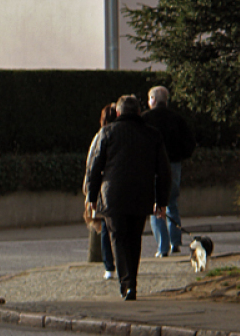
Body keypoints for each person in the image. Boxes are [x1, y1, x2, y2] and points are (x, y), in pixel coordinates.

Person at [84, 95, 170, 301]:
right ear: (139, 112)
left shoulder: (107, 133)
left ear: (119, 113)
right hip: (141, 194)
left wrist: (92, 196)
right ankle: (132, 281)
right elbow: (164, 171)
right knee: (134, 239)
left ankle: (127, 284)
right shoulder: (152, 134)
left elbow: (95, 167)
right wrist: (161, 200)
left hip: (113, 195)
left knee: (118, 239)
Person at [142, 86, 196, 257]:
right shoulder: (177, 119)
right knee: (172, 203)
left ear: (152, 99)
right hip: (173, 164)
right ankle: (175, 242)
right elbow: (189, 143)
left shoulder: (145, 119)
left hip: (152, 166)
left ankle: (162, 247)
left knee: (155, 204)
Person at [84, 103, 118, 280]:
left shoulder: (101, 136)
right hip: (120, 186)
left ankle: (109, 266)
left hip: (104, 188)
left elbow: (92, 164)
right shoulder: (122, 134)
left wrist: (90, 191)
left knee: (105, 225)